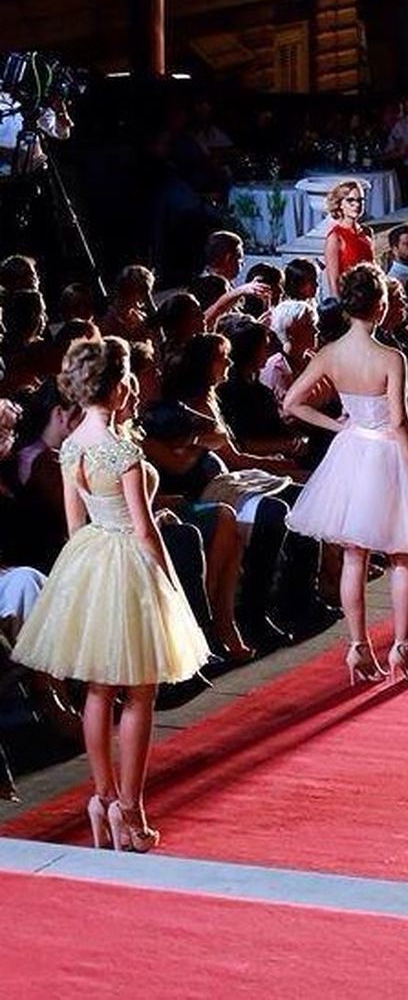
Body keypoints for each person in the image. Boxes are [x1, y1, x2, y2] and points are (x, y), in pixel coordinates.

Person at [11, 337, 207, 852]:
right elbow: (144, 529)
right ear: (118, 387)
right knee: (139, 692)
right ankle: (131, 809)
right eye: (130, 382)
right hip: (127, 560)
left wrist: (81, 583)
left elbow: (74, 526)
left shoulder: (73, 445)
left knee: (99, 688)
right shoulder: (122, 452)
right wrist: (170, 583)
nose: (135, 389)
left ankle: (102, 798)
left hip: (91, 557)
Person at [282, 264, 408, 683]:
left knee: (354, 555)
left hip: (352, 450)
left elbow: (292, 403)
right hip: (385, 452)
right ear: (381, 306)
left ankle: (358, 647)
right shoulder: (391, 358)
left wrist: (340, 426)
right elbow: (400, 422)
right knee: (401, 555)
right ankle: (402, 648)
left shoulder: (330, 353)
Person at [322, 179, 374, 299]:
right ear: (340, 204)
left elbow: (372, 267)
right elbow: (333, 282)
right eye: (350, 200)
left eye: (360, 200)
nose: (357, 205)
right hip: (349, 299)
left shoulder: (367, 232)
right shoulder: (335, 237)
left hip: (370, 295)